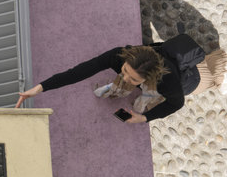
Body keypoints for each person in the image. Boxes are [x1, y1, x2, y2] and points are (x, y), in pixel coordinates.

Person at [15, 34, 227, 123]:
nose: (124, 77)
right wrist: (40, 88)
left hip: (195, 78)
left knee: (218, 71)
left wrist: (144, 118)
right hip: (160, 71)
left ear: (149, 78)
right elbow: (79, 71)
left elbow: (176, 103)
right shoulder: (120, 56)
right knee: (130, 91)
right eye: (124, 70)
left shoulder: (167, 81)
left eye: (131, 78)